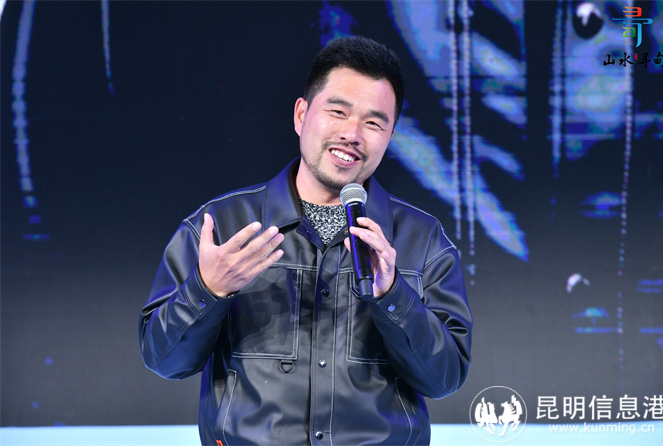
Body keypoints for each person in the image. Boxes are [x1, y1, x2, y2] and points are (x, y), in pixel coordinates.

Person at [139, 36, 473, 446]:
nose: (352, 134)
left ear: (390, 136)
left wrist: (393, 296)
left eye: (373, 123)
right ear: (301, 115)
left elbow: (444, 379)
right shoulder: (220, 226)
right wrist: (207, 290)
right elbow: (163, 360)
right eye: (338, 112)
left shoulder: (422, 241)